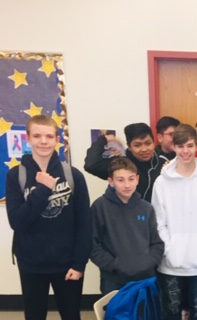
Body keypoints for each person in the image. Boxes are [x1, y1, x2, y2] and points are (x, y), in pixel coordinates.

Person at [6, 115, 92, 320]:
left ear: (56, 139)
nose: (43, 141)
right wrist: (43, 189)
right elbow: (16, 221)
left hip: (67, 264)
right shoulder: (16, 175)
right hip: (31, 263)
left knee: (71, 315)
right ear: (28, 139)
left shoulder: (73, 175)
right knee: (34, 315)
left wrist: (79, 263)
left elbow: (85, 223)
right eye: (37, 136)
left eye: (48, 136)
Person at [152, 124, 197, 320]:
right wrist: (169, 248)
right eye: (180, 146)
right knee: (171, 313)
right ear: (173, 147)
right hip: (170, 262)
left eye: (190, 146)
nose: (185, 151)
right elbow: (158, 222)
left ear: (196, 145)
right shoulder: (161, 182)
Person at [90, 157, 164, 294]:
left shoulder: (146, 208)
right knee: (115, 314)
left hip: (145, 278)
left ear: (137, 179)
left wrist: (148, 262)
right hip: (113, 280)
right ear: (111, 182)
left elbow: (157, 243)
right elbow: (93, 244)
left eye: (131, 179)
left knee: (145, 314)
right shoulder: (100, 207)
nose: (127, 185)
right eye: (120, 180)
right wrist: (114, 265)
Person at [84, 122, 165, 202]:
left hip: (154, 213)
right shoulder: (120, 164)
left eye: (148, 143)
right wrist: (105, 139)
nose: (144, 149)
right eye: (137, 145)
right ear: (129, 147)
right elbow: (91, 164)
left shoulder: (163, 163)